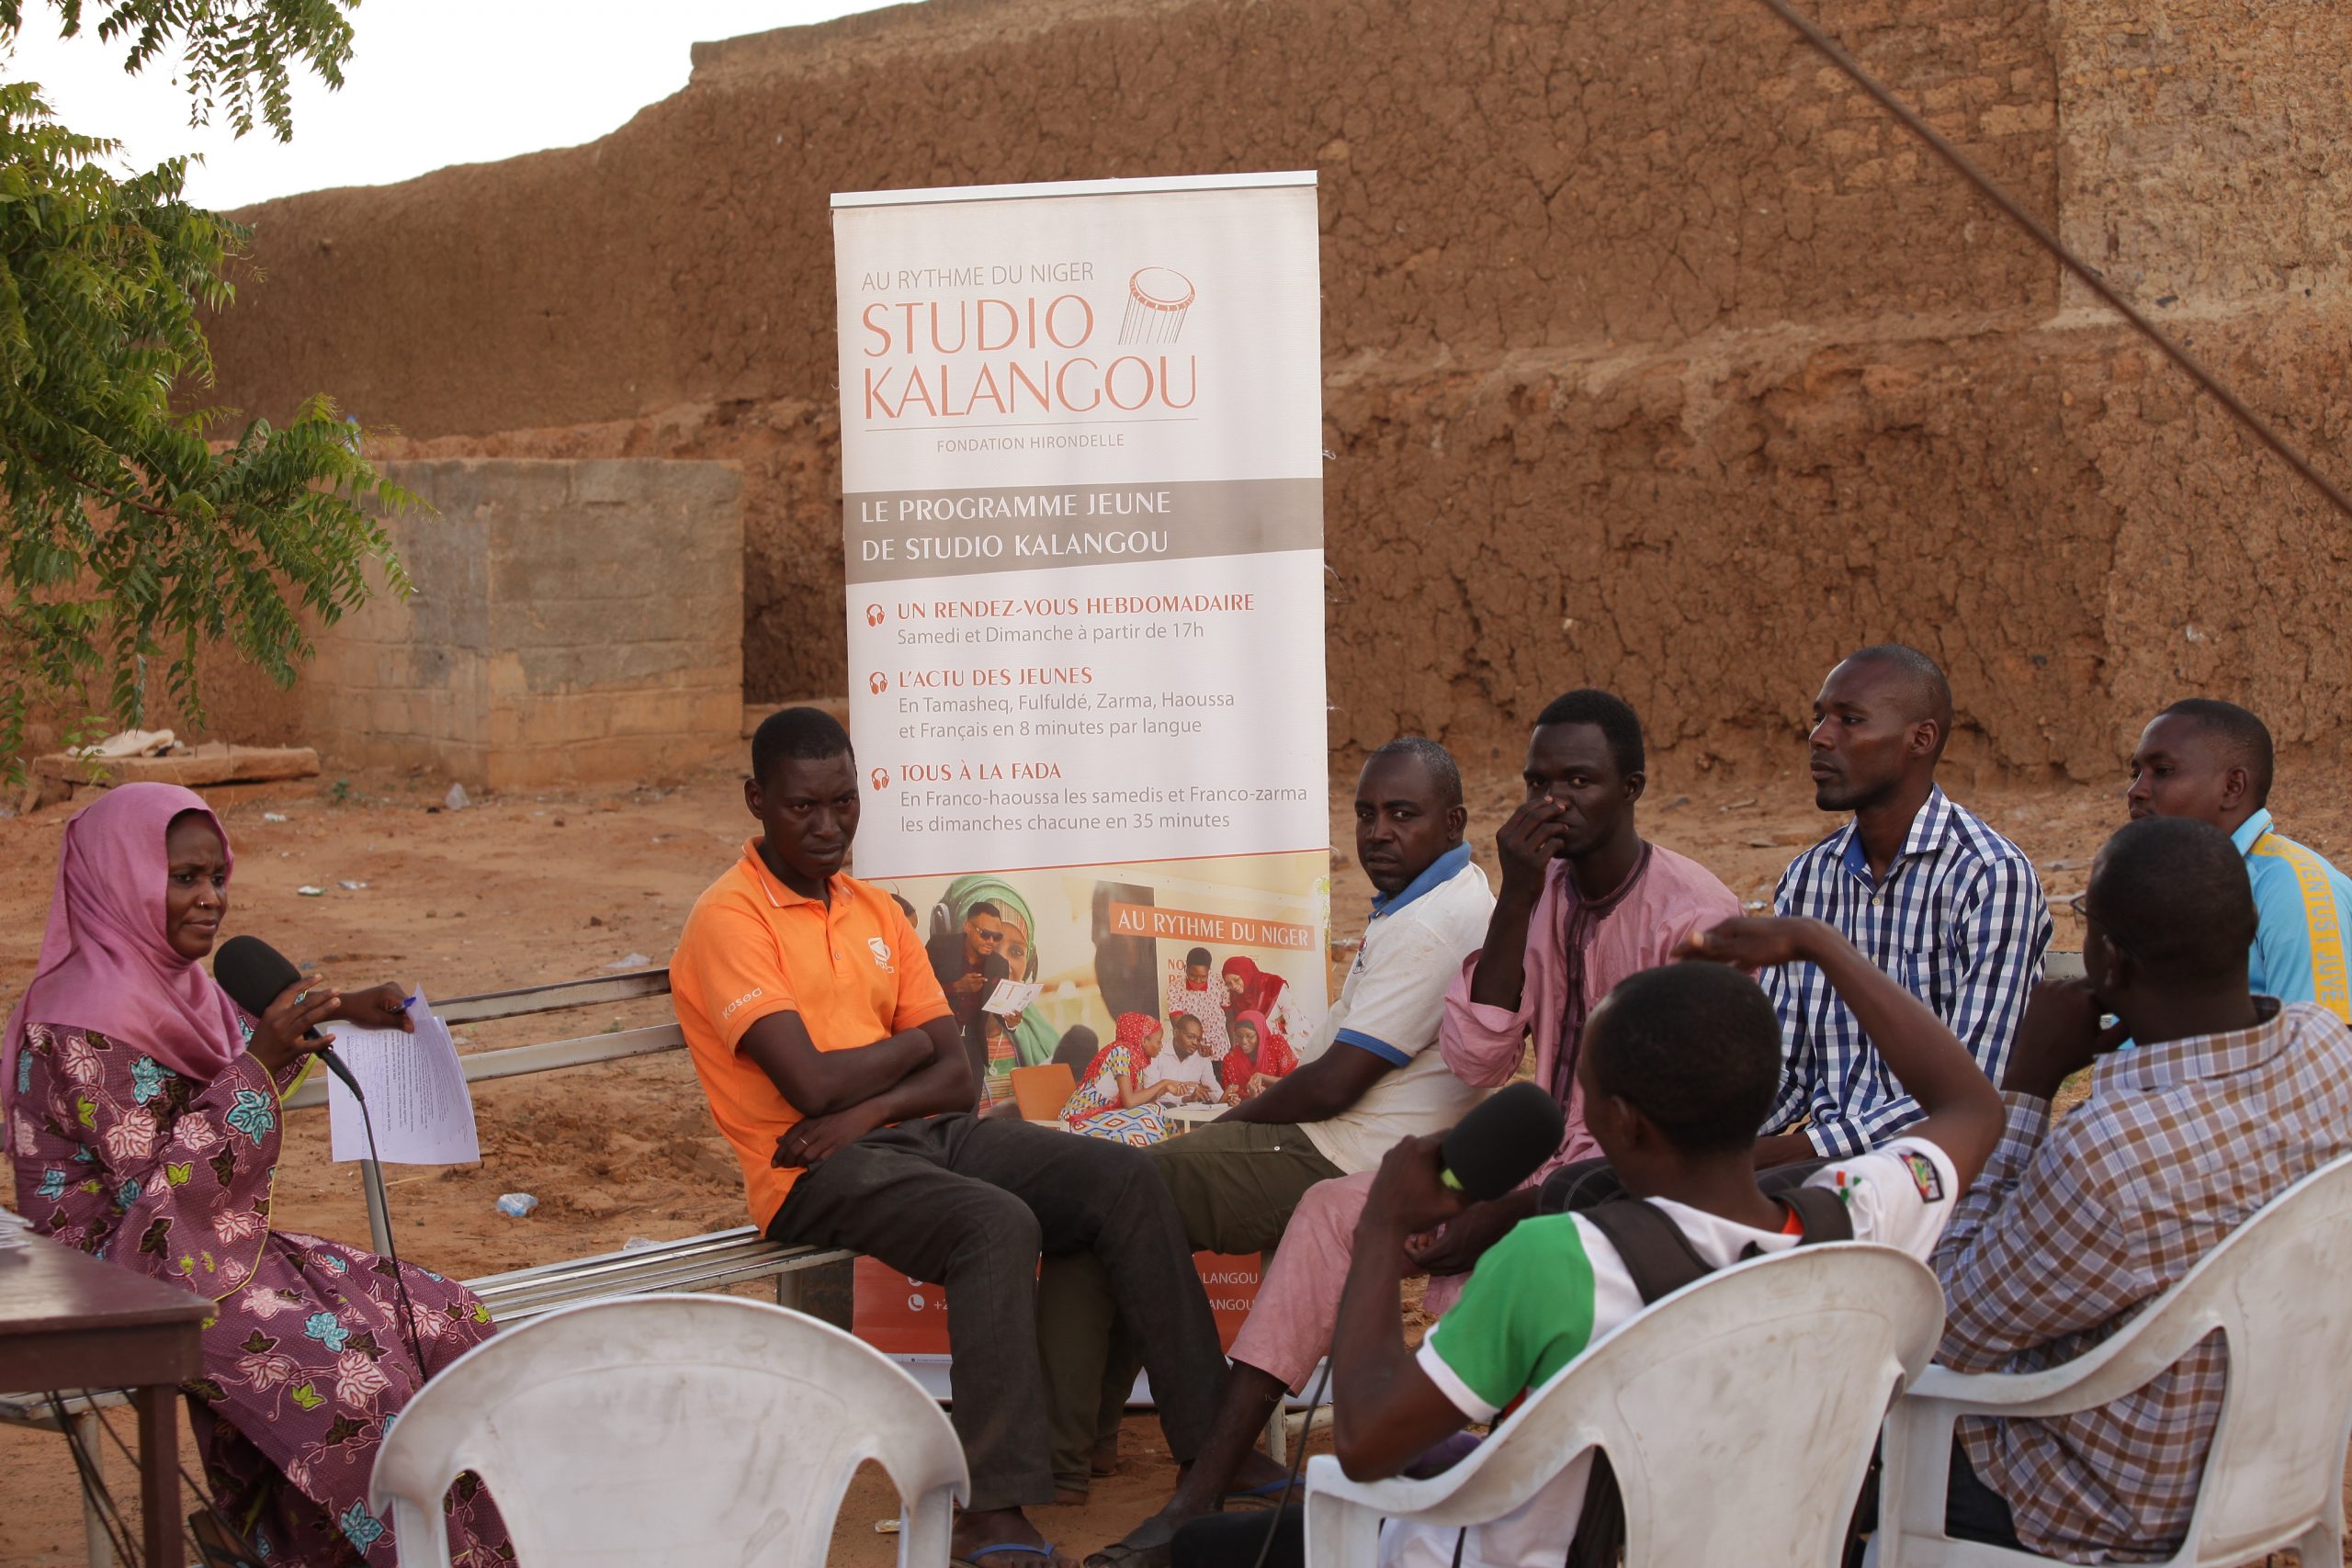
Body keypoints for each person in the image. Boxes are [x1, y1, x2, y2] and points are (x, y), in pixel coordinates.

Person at [1237, 916, 2004, 1568]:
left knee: (1222, 1546)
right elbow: (1971, 1105)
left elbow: (1368, 1442)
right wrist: (1818, 943)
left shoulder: (1559, 1259)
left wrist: (1378, 1230)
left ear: (1624, 1120)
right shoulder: (1856, 1220)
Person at [668, 708, 1228, 1567]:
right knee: (994, 1224)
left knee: (1124, 1179)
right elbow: (806, 1083)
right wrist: (899, 1059)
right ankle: (990, 1508)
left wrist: (864, 1100)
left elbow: (954, 1075)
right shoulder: (731, 918)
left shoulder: (872, 910)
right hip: (807, 1174)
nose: (828, 827)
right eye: (802, 808)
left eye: (844, 803)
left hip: (901, 1133)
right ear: (757, 801)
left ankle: (1218, 1451)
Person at [1, 784, 508, 1568]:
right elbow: (159, 1203)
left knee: (449, 1324)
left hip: (216, 1245)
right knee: (352, 1391)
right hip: (123, 1270)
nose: (210, 900)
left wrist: (349, 1010)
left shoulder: (184, 984)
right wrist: (259, 1066)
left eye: (216, 876)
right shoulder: (76, 1019)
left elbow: (241, 1049)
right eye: (184, 878)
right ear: (119, 877)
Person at [1056, 736, 1494, 1561]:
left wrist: (1228, 1125)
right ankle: (1084, 1441)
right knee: (1118, 1195)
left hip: (1345, 1154)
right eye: (1366, 813)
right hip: (1341, 1138)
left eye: (1403, 814)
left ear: (1454, 821)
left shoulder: (1439, 921)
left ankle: (1070, 1448)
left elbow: (1334, 1085)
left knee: (1116, 1192)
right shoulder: (1429, 900)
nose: (1378, 832)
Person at [1931, 816, 2352, 1561]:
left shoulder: (2111, 1153)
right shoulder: (2328, 1049)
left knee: (1854, 1417)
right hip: (2278, 1450)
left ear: (2109, 961)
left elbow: (1949, 1327)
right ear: (2247, 933)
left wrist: (2027, 1086)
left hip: (2111, 1502)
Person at [1413, 687, 1743, 1260]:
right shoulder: (1538, 892)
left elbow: (1679, 1123)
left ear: (1631, 788)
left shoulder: (1694, 915)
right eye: (1538, 784)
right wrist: (1516, 896)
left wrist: (1516, 1209)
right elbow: (1477, 1061)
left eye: (1578, 782)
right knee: (1363, 1205)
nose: (1553, 802)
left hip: (1629, 1185)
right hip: (1537, 1157)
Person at [1758, 645, 2050, 1167]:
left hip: (1938, 1168)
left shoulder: (1990, 877)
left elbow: (1971, 1089)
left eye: (1850, 720)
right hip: (1826, 1161)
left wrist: (1791, 1153)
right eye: (1819, 717)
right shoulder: (1807, 879)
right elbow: (1786, 1071)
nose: (1820, 737)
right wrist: (1707, 1146)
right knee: (1596, 1189)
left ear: (1921, 739)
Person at [2124, 696, 2352, 1021]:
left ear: (2233, 787)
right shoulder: (2161, 887)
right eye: (2135, 774)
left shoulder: (2291, 886)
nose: (2136, 790)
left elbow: (2323, 1052)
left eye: (2162, 771)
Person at [940, 874, 1065, 1066]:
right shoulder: (933, 1036)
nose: (1003, 964)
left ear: (1029, 964)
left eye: (1016, 951)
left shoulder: (1046, 1044)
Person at [1059, 1013, 1178, 1146]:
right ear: (1144, 1041)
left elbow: (1139, 1101)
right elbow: (1130, 1102)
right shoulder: (1121, 1052)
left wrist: (1164, 1089)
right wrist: (1164, 1083)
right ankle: (1156, 1158)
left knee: (1158, 1108)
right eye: (1159, 1041)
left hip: (1100, 1114)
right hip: (1077, 1119)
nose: (1161, 1045)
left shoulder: (1137, 1060)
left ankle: (1172, 1152)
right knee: (1147, 1119)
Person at [927, 893, 1006, 1029]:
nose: (991, 941)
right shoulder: (938, 946)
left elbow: (1000, 1009)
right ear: (967, 927)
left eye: (997, 937)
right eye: (985, 934)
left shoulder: (1000, 965)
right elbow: (919, 991)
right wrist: (955, 987)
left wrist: (1010, 1020)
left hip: (974, 1040)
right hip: (936, 1032)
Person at [1164, 945, 1230, 1058]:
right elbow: (1178, 1023)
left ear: (1209, 971)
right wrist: (1198, 1045)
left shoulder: (1219, 982)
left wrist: (1234, 1047)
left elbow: (1229, 1016)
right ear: (1186, 968)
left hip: (1219, 1049)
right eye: (1192, 976)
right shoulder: (1175, 988)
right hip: (1190, 1050)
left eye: (1203, 977)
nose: (1198, 981)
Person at [1219, 1009, 1298, 1103]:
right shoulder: (1230, 1060)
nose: (1244, 1041)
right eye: (1239, 1036)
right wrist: (1234, 1100)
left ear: (1260, 1034)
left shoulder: (1276, 1044)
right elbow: (1230, 1096)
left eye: (1250, 1036)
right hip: (1248, 1111)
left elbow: (1294, 1082)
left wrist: (1264, 1078)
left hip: (1281, 1106)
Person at [1219, 956, 1299, 1048]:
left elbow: (1294, 1019)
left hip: (1289, 1046)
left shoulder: (1273, 984)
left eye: (1236, 980)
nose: (1234, 986)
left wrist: (1279, 1049)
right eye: (1229, 983)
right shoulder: (1234, 998)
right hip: (1260, 1053)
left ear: (1246, 973)